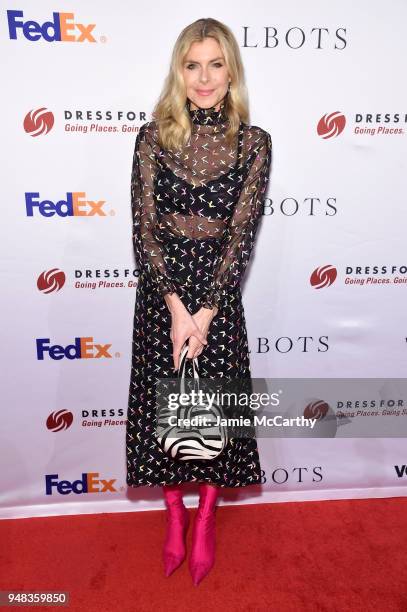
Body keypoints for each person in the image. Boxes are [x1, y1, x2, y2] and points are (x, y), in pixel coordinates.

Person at [126, 17, 272, 586]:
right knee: (166, 406)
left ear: (230, 68)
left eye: (215, 64)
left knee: (210, 409)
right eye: (193, 65)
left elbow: (242, 234)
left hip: (218, 292)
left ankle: (206, 517)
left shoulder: (252, 143)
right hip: (164, 296)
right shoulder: (151, 137)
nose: (204, 78)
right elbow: (145, 230)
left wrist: (207, 312)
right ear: (178, 71)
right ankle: (173, 515)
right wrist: (176, 309)